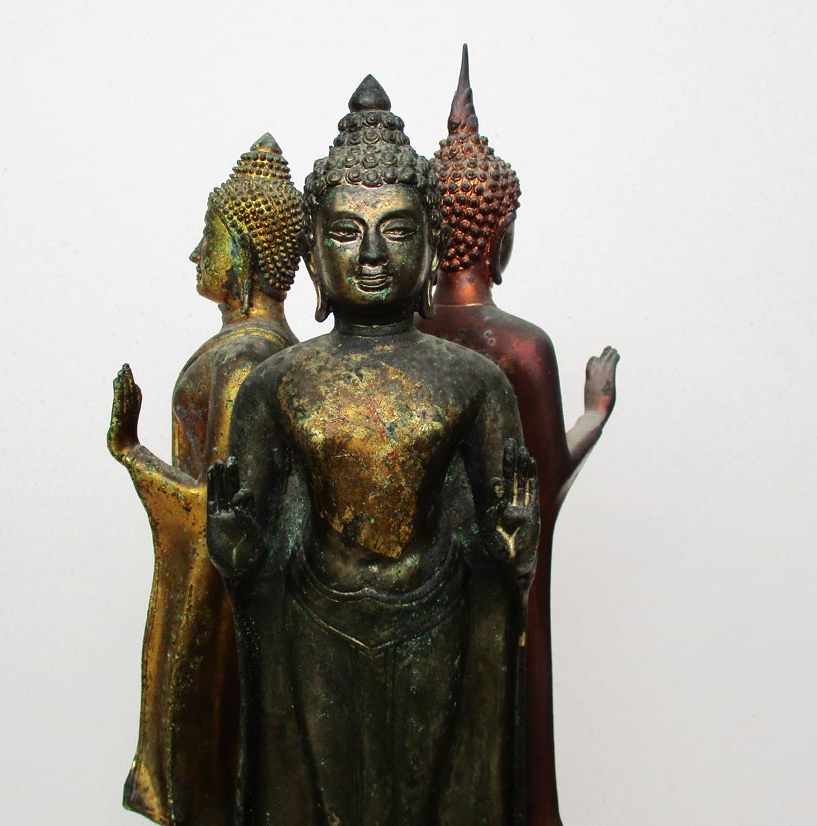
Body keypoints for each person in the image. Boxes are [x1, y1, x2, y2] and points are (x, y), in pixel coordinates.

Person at [206, 76, 540, 825]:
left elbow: (505, 537)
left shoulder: (475, 382)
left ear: (433, 245)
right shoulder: (276, 384)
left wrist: (514, 543)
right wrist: (235, 547)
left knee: (427, 799)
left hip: (436, 613)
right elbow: (251, 544)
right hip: (314, 618)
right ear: (312, 253)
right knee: (324, 803)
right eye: (346, 231)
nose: (372, 254)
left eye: (396, 229)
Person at [416, 46, 620, 826]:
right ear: (497, 232)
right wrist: (595, 413)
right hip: (501, 588)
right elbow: (546, 484)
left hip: (419, 599)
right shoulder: (522, 349)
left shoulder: (404, 340)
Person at [108, 134, 302, 826]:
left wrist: (130, 452)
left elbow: (217, 509)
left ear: (242, 250)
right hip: (235, 586)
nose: (196, 255)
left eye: (208, 238)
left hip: (223, 597)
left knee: (215, 767)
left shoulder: (248, 358)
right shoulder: (264, 352)